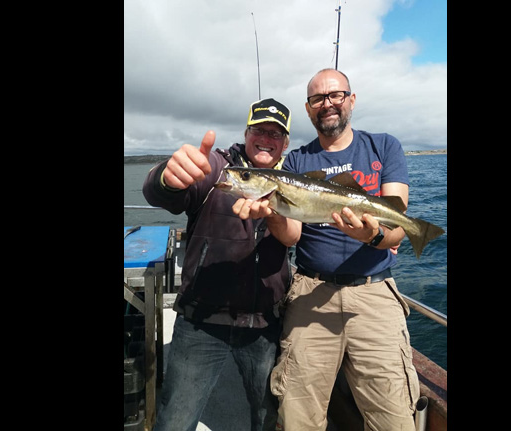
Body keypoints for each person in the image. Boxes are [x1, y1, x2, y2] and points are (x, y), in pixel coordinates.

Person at [232, 69, 420, 431]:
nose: (328, 104)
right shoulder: (298, 161)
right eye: (318, 98)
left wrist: (373, 236)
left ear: (351, 99)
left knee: (394, 416)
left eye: (336, 95)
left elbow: (397, 228)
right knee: (298, 414)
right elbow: (290, 236)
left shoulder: (385, 145)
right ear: (308, 108)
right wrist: (271, 212)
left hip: (374, 292)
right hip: (310, 290)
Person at [142, 98, 295, 431]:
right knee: (176, 420)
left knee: (266, 416)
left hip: (263, 325)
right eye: (259, 130)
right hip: (201, 322)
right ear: (246, 132)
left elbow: (293, 236)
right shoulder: (217, 167)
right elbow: (163, 191)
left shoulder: (291, 183)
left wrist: (274, 215)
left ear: (285, 143)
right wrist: (167, 177)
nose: (266, 138)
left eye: (275, 133)